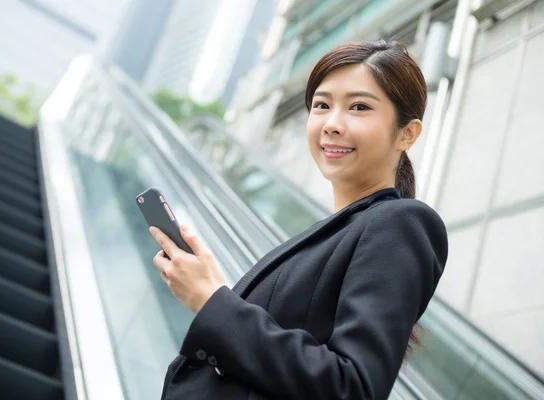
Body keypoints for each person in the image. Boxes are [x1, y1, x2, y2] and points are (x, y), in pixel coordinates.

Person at [150, 40, 448, 400]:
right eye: (321, 105)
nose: (332, 124)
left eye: (359, 106)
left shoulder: (402, 223)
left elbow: (353, 388)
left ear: (407, 133)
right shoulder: (336, 233)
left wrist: (212, 302)